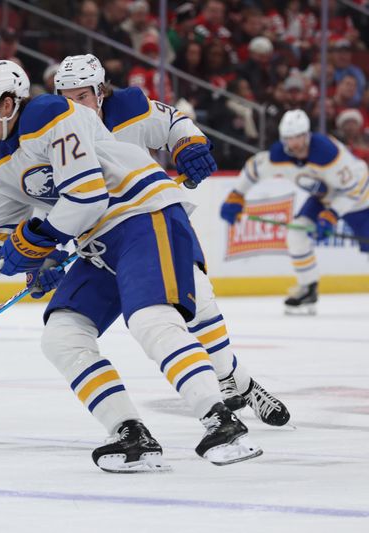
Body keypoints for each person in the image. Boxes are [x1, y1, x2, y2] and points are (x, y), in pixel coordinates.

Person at [0, 60, 264, 473]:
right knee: (61, 336)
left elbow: (88, 196)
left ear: (7, 104)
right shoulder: (1, 163)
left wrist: (40, 239)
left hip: (143, 216)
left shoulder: (48, 114)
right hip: (99, 245)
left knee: (150, 320)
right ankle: (130, 433)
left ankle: (220, 420)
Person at [53, 53, 290, 428]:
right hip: (103, 244)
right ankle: (238, 383)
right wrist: (46, 256)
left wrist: (189, 146)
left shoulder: (128, 108)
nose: (73, 106)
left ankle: (233, 378)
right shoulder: (57, 133)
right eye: (65, 97)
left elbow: (176, 122)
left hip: (150, 222)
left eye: (80, 96)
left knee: (198, 299)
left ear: (100, 93)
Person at [221, 109, 369, 315]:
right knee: (297, 234)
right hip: (324, 198)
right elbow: (253, 168)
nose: (295, 144)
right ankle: (308, 288)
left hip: (360, 199)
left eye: (299, 137)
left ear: (307, 134)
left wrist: (332, 214)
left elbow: (355, 188)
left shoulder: (327, 153)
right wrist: (237, 195)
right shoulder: (279, 155)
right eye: (290, 139)